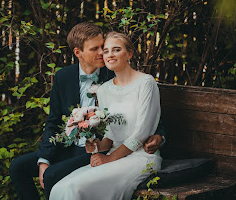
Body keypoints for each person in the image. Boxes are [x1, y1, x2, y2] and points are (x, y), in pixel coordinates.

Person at [9, 23, 165, 200]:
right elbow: (53, 121)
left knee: (53, 175)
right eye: (96, 49)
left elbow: (144, 117)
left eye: (103, 47)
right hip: (71, 147)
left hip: (99, 151)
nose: (103, 53)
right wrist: (44, 159)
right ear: (78, 52)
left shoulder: (114, 71)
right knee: (18, 167)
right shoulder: (64, 77)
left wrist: (159, 135)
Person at [49, 31, 162, 200]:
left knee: (75, 188)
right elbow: (110, 135)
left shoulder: (146, 83)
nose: (109, 55)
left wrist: (109, 158)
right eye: (107, 51)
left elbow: (142, 133)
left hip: (140, 157)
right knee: (61, 187)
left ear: (129, 53)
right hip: (114, 155)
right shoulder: (104, 90)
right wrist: (95, 146)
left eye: (116, 50)